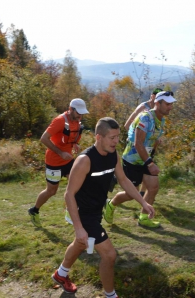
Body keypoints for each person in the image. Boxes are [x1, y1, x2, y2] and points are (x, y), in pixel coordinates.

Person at [51, 117, 155, 297]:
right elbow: (68, 194)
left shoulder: (113, 155)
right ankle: (110, 295)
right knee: (109, 255)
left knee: (81, 243)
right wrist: (78, 227)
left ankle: (60, 274)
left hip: (96, 209)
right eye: (112, 138)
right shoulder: (85, 160)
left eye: (117, 137)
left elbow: (123, 180)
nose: (116, 142)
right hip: (83, 213)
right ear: (98, 137)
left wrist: (143, 202)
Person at [103, 91, 176, 228]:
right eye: (167, 104)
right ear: (157, 103)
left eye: (171, 104)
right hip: (132, 160)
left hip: (146, 158)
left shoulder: (161, 119)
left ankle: (143, 218)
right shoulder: (145, 118)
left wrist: (151, 157)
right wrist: (150, 163)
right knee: (131, 194)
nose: (170, 107)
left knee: (153, 187)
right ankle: (110, 204)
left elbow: (151, 140)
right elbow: (138, 143)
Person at [28, 98, 89, 228]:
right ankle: (34, 210)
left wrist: (75, 144)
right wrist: (60, 152)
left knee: (76, 185)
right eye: (79, 113)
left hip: (68, 160)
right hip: (54, 162)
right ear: (71, 109)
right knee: (51, 191)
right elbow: (44, 138)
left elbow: (71, 137)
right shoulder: (60, 121)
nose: (80, 116)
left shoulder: (77, 121)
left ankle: (70, 211)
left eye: (82, 113)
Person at [121, 88, 162, 196]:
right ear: (152, 96)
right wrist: (134, 137)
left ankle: (143, 193)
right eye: (156, 96)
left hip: (148, 148)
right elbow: (128, 124)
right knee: (132, 186)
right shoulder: (144, 108)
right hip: (135, 147)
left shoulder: (158, 113)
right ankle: (116, 178)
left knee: (148, 170)